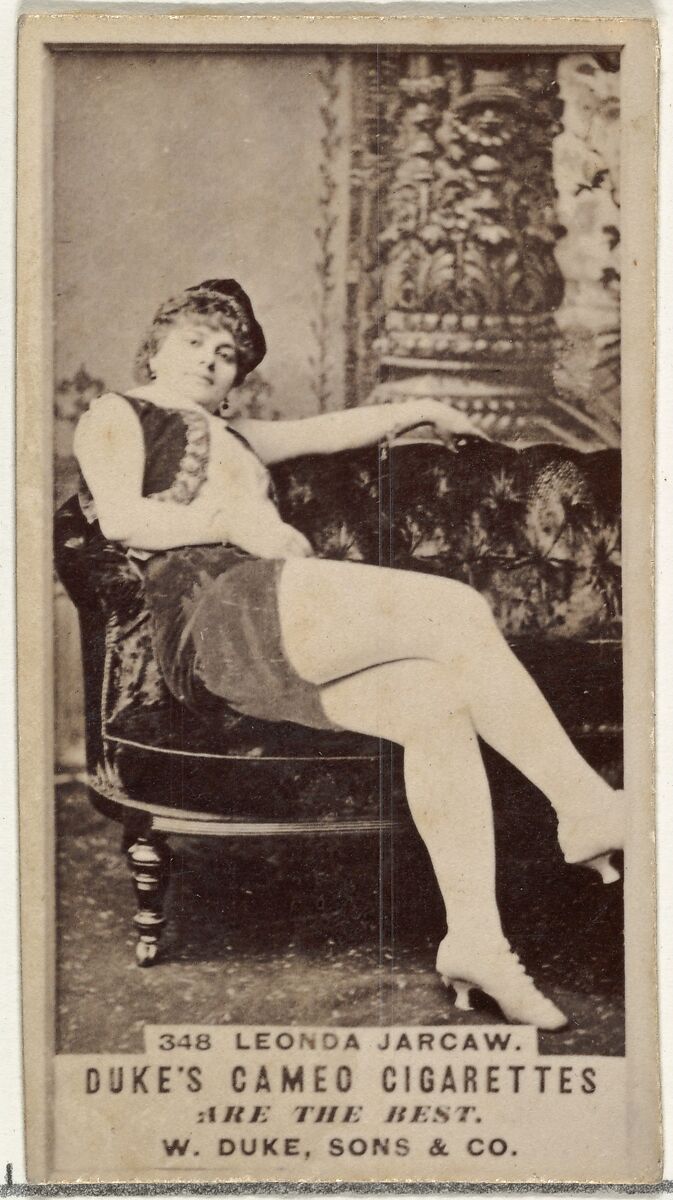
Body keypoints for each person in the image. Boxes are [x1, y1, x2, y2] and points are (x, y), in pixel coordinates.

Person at [74, 278, 624, 1031]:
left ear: (234, 382)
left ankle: (475, 940)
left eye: (226, 354)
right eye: (194, 341)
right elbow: (120, 520)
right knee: (455, 610)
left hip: (263, 627)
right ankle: (584, 805)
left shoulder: (238, 435)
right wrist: (236, 521)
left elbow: (330, 429)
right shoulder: (120, 411)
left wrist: (420, 409)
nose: (209, 358)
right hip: (215, 610)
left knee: (435, 703)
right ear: (155, 348)